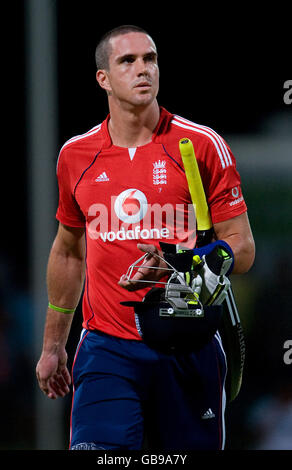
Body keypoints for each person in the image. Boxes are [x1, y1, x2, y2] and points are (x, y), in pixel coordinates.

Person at [36, 25, 255, 450]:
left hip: (189, 345)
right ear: (103, 78)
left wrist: (188, 264)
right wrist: (52, 347)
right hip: (107, 349)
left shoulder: (202, 144)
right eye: (128, 61)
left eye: (150, 59)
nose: (143, 70)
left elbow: (242, 248)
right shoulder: (75, 155)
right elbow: (67, 252)